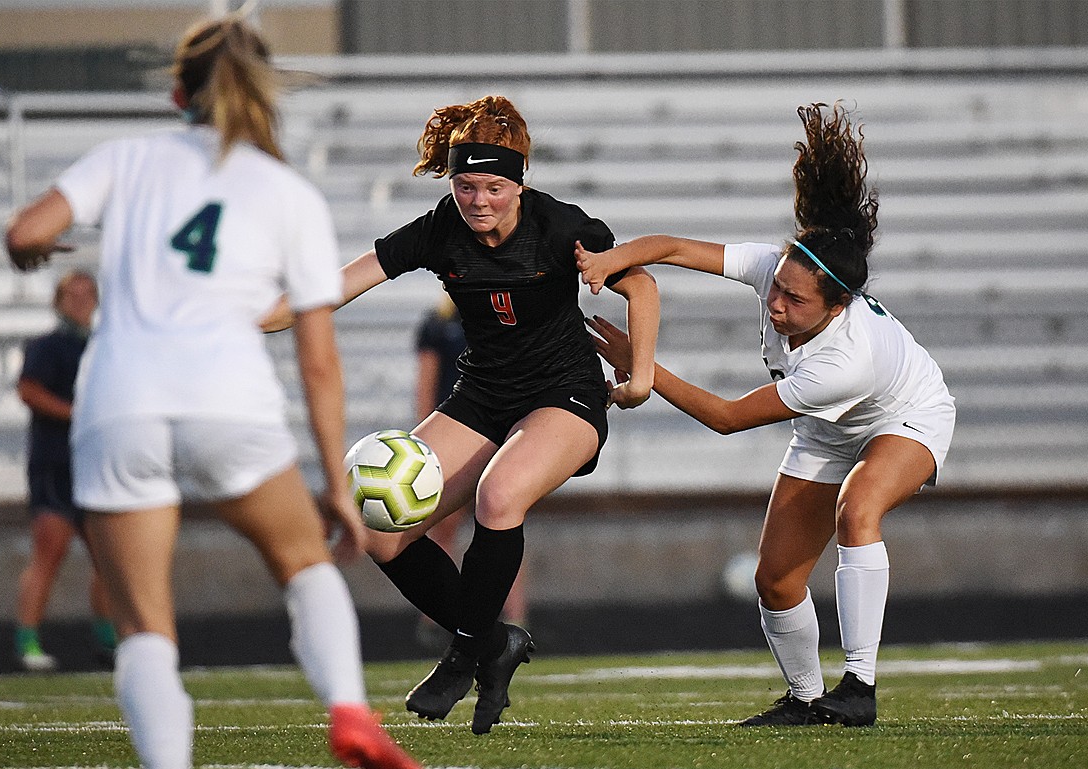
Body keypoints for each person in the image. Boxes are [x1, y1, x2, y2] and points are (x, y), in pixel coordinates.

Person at [4, 16, 425, 769]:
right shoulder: (287, 193)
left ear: (177, 93)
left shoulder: (126, 159)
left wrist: (30, 247)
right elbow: (318, 362)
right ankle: (351, 711)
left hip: (120, 399)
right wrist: (335, 481)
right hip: (227, 397)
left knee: (143, 626)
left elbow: (27, 228)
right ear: (264, 98)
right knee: (305, 565)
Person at [576, 102, 955, 728]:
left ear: (837, 307)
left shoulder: (845, 360)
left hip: (907, 416)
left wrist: (639, 360)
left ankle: (859, 686)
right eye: (776, 285)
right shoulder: (777, 269)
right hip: (827, 430)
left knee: (857, 510)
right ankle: (806, 698)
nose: (775, 302)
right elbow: (671, 247)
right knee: (775, 580)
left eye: (794, 298)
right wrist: (609, 262)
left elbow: (726, 417)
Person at [339, 95, 660, 734]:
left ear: (520, 183)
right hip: (484, 392)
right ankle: (492, 645)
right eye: (465, 186)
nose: (479, 200)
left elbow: (641, 283)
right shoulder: (439, 229)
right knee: (378, 529)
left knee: (499, 494)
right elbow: (337, 286)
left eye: (494, 186)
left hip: (565, 392)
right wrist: (245, 316)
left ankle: (464, 652)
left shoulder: (560, 226)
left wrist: (643, 375)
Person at [412, 297, 528, 652]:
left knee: (504, 522)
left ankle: (516, 618)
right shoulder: (439, 323)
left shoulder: (503, 315)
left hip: (498, 432)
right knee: (443, 527)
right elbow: (427, 387)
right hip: (458, 434)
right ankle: (435, 621)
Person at [14, 269, 116, 672]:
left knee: (108, 556)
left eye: (87, 292)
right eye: (71, 294)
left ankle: (107, 638)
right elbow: (29, 390)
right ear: (58, 300)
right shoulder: (49, 346)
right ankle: (28, 640)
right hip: (56, 463)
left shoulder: (103, 345)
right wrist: (77, 415)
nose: (80, 300)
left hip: (95, 463)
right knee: (49, 552)